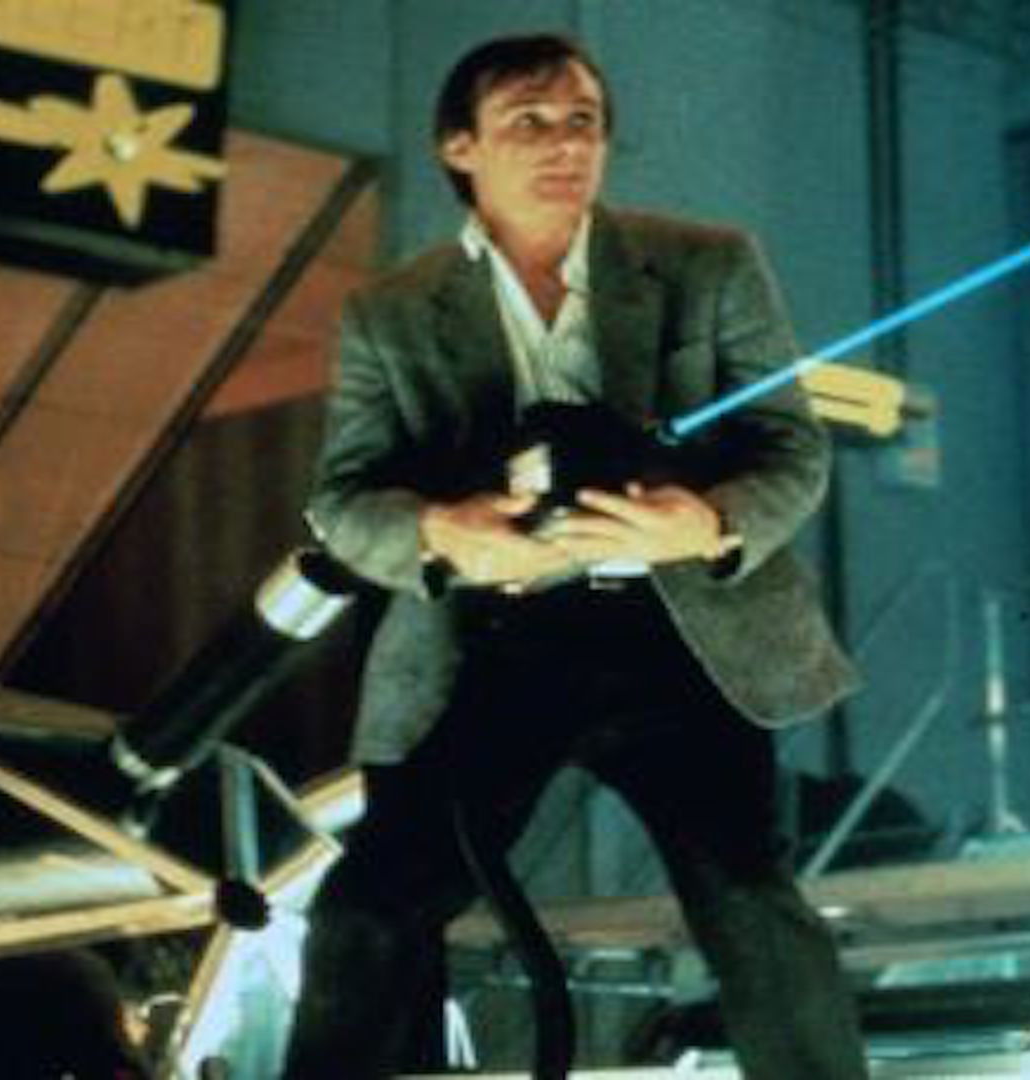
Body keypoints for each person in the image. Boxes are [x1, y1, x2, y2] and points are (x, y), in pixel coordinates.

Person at [281, 32, 866, 1079]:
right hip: (489, 647)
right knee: (368, 912)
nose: (564, 145)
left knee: (749, 902)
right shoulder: (389, 312)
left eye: (583, 122)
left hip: (680, 637)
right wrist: (442, 532)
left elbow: (793, 447)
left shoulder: (708, 263)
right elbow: (343, 498)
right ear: (459, 147)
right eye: (529, 123)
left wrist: (708, 524)